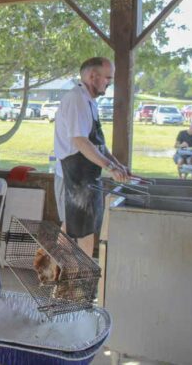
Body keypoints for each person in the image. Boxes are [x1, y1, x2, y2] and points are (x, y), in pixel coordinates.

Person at [54, 57, 129, 257]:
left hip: (86, 179)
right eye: (107, 78)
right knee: (74, 231)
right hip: (72, 178)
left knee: (82, 230)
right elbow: (79, 141)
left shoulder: (89, 102)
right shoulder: (76, 99)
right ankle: (64, 277)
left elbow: (98, 144)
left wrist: (117, 164)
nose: (109, 83)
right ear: (92, 76)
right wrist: (110, 167)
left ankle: (72, 277)